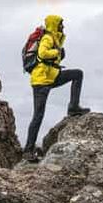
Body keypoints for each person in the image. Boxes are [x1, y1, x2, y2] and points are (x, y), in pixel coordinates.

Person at [23, 14, 90, 162]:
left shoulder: (54, 38)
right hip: (41, 81)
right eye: (61, 24)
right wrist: (57, 52)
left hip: (51, 76)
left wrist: (60, 55)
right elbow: (42, 54)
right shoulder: (48, 38)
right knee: (38, 116)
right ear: (55, 25)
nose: (63, 26)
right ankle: (28, 150)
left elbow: (50, 59)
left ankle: (73, 107)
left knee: (78, 74)